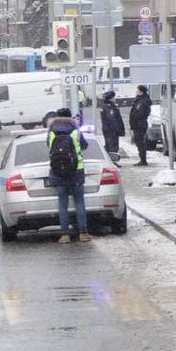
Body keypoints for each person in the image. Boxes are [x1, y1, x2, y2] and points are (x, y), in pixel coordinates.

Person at [47, 107, 92, 243]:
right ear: (70, 117)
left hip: (58, 171)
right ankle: (83, 233)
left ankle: (65, 235)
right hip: (76, 170)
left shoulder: (51, 132)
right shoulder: (75, 131)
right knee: (79, 202)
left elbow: (48, 146)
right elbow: (84, 146)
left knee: (63, 204)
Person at [128, 85, 152, 165]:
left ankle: (143, 160)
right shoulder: (142, 99)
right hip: (139, 124)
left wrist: (133, 124)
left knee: (140, 142)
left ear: (140, 91)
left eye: (137, 90)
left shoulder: (142, 101)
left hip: (139, 124)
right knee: (140, 142)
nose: (136, 92)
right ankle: (142, 159)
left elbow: (137, 113)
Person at [99, 90, 125, 156]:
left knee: (110, 146)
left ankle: (112, 161)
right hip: (111, 131)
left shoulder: (107, 106)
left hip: (109, 130)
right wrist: (116, 129)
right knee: (112, 147)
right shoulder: (109, 107)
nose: (115, 99)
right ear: (111, 98)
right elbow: (112, 119)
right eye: (114, 97)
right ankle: (112, 161)